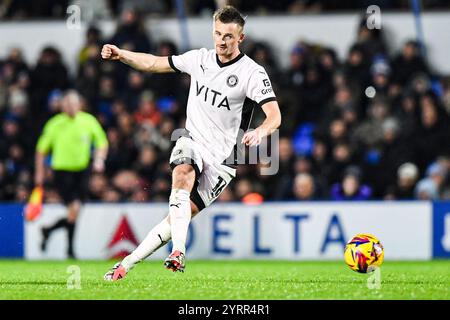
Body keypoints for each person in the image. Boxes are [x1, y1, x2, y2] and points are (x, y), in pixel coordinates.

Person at [101, 5, 281, 280]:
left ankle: (126, 263)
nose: (222, 41)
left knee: (178, 219)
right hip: (193, 140)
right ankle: (179, 251)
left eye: (229, 36)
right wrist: (122, 54)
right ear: (212, 32)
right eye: (218, 34)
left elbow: (274, 116)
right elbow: (152, 63)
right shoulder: (199, 59)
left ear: (240, 38)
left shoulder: (252, 74)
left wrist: (259, 132)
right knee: (182, 173)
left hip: (225, 159)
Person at [35, 90, 108, 259]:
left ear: (79, 105)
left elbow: (102, 142)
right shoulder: (54, 124)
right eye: (67, 105)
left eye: (73, 104)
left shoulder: (88, 121)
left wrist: (99, 159)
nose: (70, 108)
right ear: (61, 106)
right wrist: (39, 174)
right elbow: (41, 151)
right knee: (74, 208)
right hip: (61, 172)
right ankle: (69, 250)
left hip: (82, 172)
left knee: (73, 211)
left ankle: (49, 231)